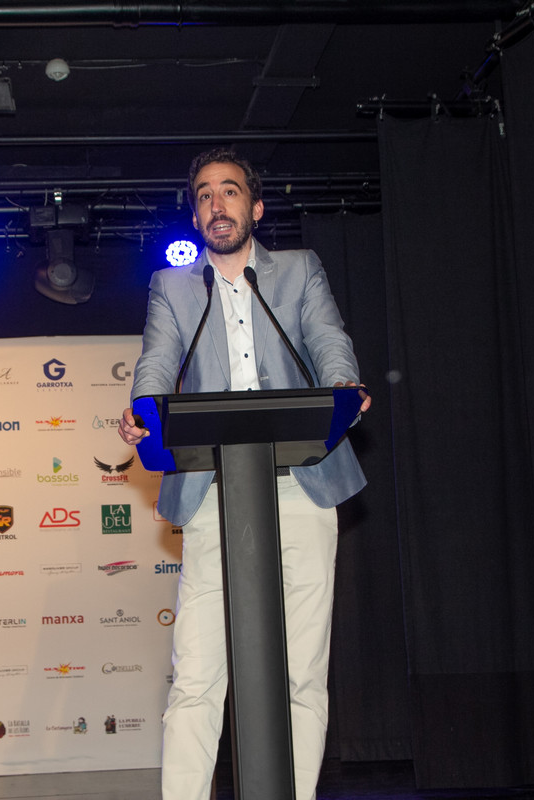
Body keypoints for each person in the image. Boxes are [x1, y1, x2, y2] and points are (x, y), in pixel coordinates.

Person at [118, 147, 370, 800]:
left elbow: (327, 338)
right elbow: (157, 360)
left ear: (255, 207)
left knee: (302, 673)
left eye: (228, 191)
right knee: (197, 676)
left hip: (304, 483)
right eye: (203, 194)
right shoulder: (174, 287)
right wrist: (144, 410)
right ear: (195, 215)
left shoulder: (298, 270)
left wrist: (342, 382)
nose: (216, 204)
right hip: (213, 491)